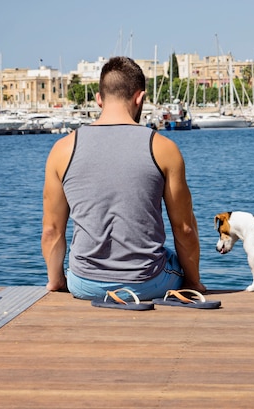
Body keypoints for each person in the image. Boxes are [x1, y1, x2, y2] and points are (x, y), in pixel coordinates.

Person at [41, 56, 206, 300]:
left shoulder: (62, 149)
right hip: (146, 283)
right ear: (140, 98)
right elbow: (184, 229)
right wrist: (193, 282)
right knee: (171, 258)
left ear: (99, 99)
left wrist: (56, 281)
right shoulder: (163, 148)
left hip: (83, 283)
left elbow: (51, 231)